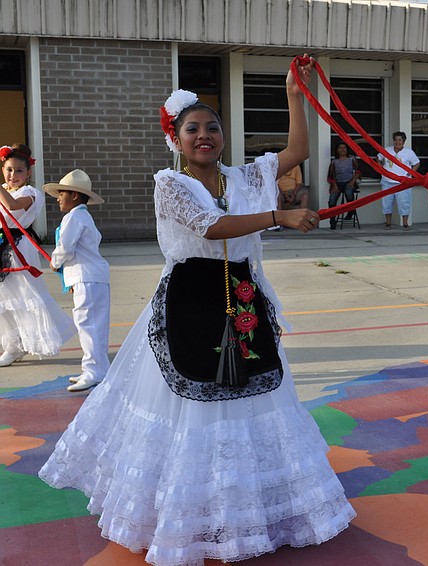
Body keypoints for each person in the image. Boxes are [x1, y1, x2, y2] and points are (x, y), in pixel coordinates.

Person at [39, 57, 356, 566]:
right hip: (188, 303)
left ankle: (251, 511)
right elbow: (209, 227)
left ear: (224, 136)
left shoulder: (244, 177)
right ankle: (191, 517)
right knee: (192, 406)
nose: (204, 136)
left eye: (213, 127)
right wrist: (279, 216)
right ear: (176, 139)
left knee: (254, 398)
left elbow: (297, 151)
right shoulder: (170, 184)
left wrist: (294, 94)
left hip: (243, 297)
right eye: (193, 129)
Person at [0, 143, 75, 366]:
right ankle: (12, 343)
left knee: (22, 295)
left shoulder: (31, 193)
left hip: (18, 247)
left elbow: (12, 206)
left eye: (19, 170)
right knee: (4, 298)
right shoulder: (4, 188)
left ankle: (19, 345)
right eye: (9, 169)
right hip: (1, 243)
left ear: (28, 173)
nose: (13, 175)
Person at [45, 169, 111, 392]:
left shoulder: (73, 217)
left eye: (61, 194)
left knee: (88, 324)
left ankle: (94, 371)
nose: (58, 198)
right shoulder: (84, 216)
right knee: (95, 325)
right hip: (91, 277)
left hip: (87, 277)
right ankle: (97, 368)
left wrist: (55, 261)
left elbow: (66, 247)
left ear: (74, 195)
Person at [378, 131, 419, 230]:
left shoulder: (409, 152)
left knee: (404, 203)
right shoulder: (387, 150)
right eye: (396, 140)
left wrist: (410, 174)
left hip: (403, 183)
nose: (397, 142)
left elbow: (417, 163)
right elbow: (378, 158)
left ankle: (405, 223)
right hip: (387, 182)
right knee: (386, 203)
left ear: (403, 141)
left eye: (400, 140)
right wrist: (381, 169)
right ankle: (388, 223)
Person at [327, 141, 360, 228]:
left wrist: (352, 181)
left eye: (344, 147)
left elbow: (358, 171)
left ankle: (350, 210)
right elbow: (331, 175)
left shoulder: (352, 159)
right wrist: (334, 186)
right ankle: (332, 220)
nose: (342, 149)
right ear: (337, 150)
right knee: (332, 199)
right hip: (337, 183)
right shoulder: (334, 162)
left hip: (349, 182)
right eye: (340, 148)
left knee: (348, 192)